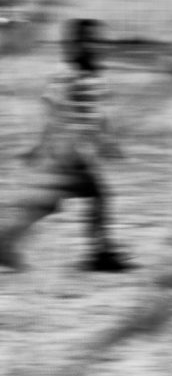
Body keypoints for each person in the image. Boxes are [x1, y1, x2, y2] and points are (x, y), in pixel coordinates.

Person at [0, 18, 134, 272]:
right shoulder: (68, 76)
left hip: (71, 155)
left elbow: (96, 115)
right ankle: (100, 252)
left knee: (49, 204)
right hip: (68, 156)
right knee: (98, 196)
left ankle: (6, 241)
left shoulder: (92, 76)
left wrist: (107, 140)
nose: (95, 46)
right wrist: (42, 146)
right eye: (87, 41)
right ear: (72, 46)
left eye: (98, 41)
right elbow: (53, 108)